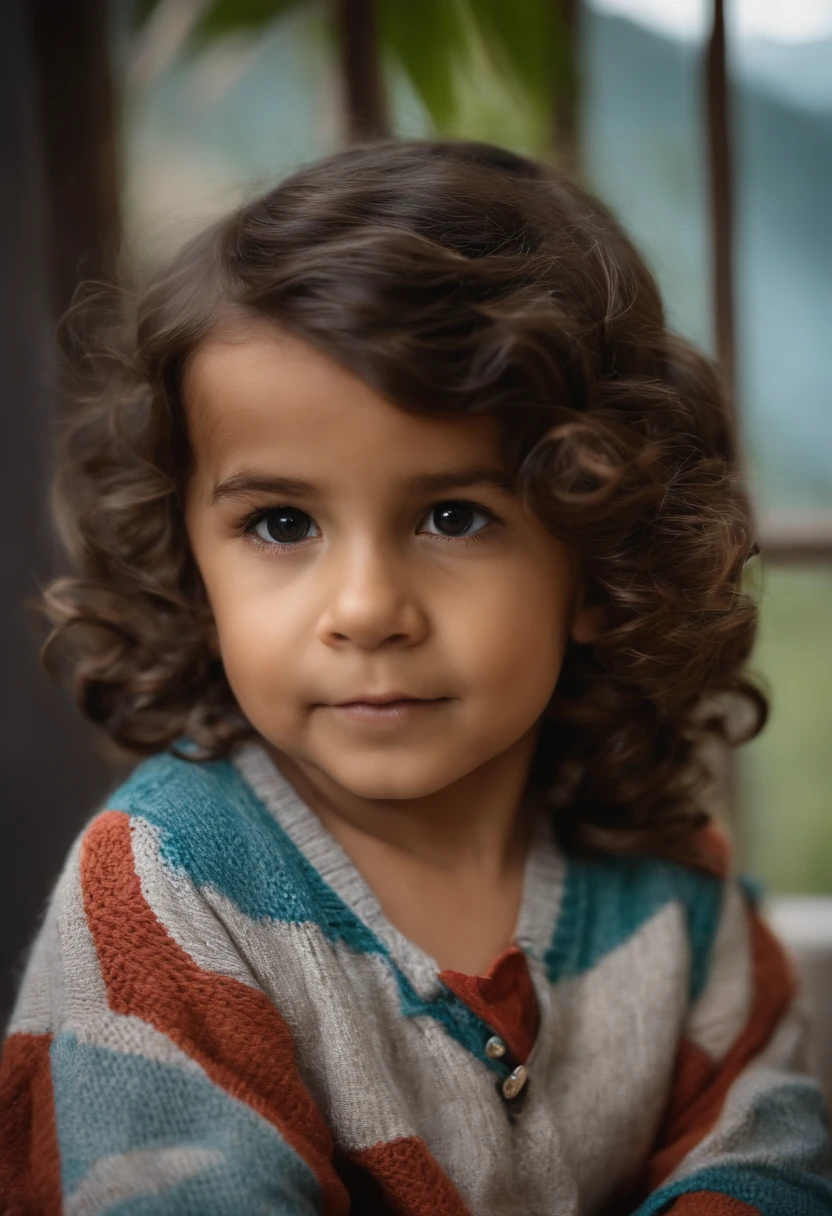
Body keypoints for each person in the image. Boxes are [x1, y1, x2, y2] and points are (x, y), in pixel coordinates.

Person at [1, 139, 829, 1216]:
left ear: (598, 553)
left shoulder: (668, 881)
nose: (365, 609)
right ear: (192, 565)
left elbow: (766, 1151)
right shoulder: (167, 890)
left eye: (452, 516)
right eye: (281, 523)